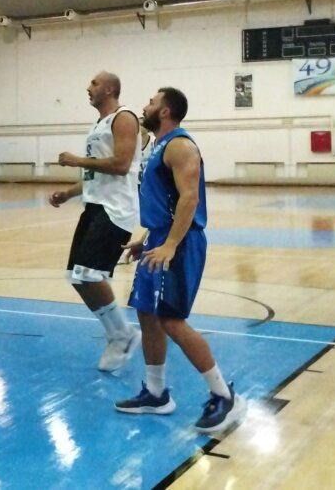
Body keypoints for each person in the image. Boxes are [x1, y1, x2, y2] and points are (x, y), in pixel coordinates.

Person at [115, 87, 246, 434]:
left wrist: (171, 244)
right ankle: (156, 393)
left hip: (182, 243)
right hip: (160, 238)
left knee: (172, 321)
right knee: (146, 314)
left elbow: (189, 199)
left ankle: (225, 396)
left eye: (152, 102)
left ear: (165, 111)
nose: (145, 106)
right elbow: (167, 201)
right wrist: (147, 239)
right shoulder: (158, 146)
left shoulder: (180, 146)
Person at [51, 72, 143, 372]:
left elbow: (121, 165)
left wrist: (76, 160)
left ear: (109, 89)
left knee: (90, 274)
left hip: (116, 209)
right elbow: (95, 173)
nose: (88, 87)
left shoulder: (124, 117)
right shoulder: (98, 125)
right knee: (77, 277)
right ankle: (117, 333)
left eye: (94, 83)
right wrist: (68, 193)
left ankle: (124, 333)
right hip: (94, 206)